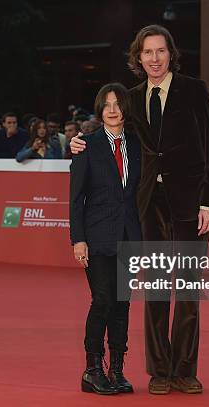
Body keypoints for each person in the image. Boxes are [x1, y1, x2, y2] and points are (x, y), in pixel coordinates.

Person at [70, 24, 209, 395]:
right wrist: (77, 142)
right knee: (154, 289)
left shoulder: (194, 90)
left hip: (190, 204)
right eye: (147, 52)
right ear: (139, 58)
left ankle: (185, 369)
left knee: (185, 290)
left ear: (171, 54)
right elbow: (110, 133)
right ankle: (159, 370)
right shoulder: (132, 98)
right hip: (146, 207)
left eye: (161, 51)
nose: (154, 59)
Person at [70, 83, 141, 395]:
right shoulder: (85, 145)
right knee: (102, 300)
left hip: (128, 235)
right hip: (96, 236)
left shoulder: (137, 145)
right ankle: (92, 368)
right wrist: (78, 239)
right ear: (100, 110)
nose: (112, 110)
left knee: (122, 303)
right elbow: (75, 198)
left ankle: (117, 369)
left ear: (125, 108)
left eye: (117, 104)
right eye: (106, 104)